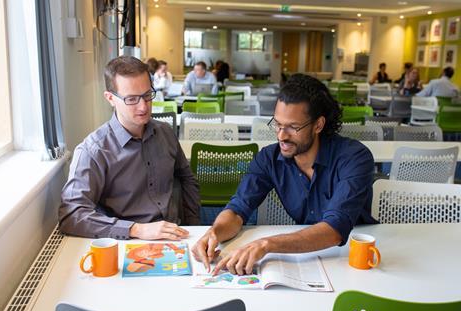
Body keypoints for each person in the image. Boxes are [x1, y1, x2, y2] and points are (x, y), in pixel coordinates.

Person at [192, 73, 376, 275]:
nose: (281, 135)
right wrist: (214, 233)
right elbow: (237, 210)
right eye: (278, 124)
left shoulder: (354, 157)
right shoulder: (269, 159)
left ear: (318, 125)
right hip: (308, 258)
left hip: (358, 259)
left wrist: (266, 244)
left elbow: (334, 230)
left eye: (293, 127)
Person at [59, 56, 200, 240]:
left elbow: (187, 179)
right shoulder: (94, 150)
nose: (143, 107)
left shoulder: (165, 133)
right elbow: (71, 215)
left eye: (147, 95)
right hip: (126, 242)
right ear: (110, 98)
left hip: (175, 236)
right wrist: (136, 230)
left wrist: (196, 228)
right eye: (132, 99)